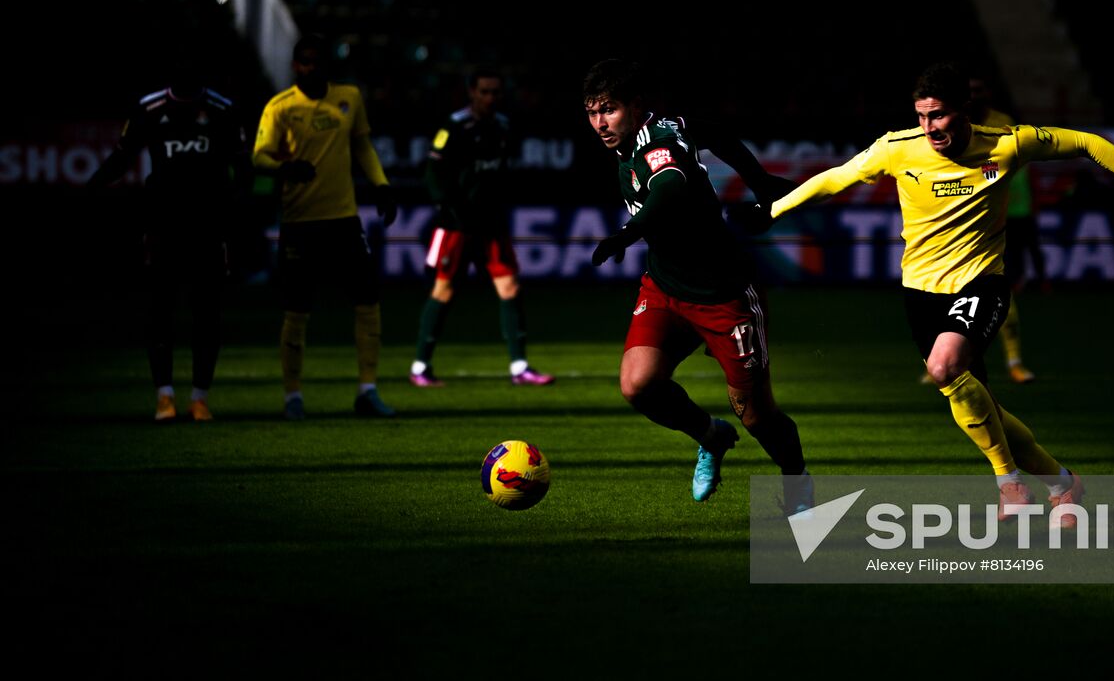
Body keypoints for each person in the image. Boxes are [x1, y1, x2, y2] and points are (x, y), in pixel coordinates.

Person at [740, 61, 1114, 528]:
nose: (929, 127)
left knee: (943, 367)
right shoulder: (897, 148)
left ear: (964, 110)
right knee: (984, 407)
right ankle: (1062, 484)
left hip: (982, 281)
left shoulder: (1007, 142)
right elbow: (836, 178)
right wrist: (774, 209)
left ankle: (1010, 486)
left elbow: (1086, 142)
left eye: (938, 115)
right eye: (921, 116)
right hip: (920, 291)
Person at [582, 59, 812, 513]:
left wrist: (627, 233)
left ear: (635, 106)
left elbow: (669, 185)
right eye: (591, 112)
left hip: (723, 295)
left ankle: (797, 483)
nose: (599, 122)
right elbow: (715, 132)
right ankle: (710, 436)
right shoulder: (664, 128)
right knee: (637, 385)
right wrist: (759, 180)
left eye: (608, 109)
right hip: (665, 289)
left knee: (757, 415)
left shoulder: (657, 143)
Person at [252, 34, 398, 420]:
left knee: (368, 302)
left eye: (317, 61)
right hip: (300, 221)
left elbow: (363, 147)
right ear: (295, 66)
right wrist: (285, 168)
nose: (311, 68)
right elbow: (258, 156)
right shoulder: (279, 107)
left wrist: (381, 185)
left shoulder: (349, 97)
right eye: (305, 62)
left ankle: (367, 389)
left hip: (344, 219)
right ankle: (293, 396)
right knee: (297, 310)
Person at [87, 73, 249, 422]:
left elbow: (244, 170)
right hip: (163, 228)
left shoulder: (223, 110)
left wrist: (228, 213)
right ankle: (164, 398)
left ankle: (200, 399)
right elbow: (121, 156)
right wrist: (92, 186)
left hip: (207, 230)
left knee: (206, 315)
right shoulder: (148, 109)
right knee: (160, 313)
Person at [410, 70, 555, 388]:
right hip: (457, 225)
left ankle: (520, 367)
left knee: (510, 288)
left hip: (491, 224)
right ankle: (421, 366)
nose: (491, 97)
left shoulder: (502, 127)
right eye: (485, 91)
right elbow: (433, 170)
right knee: (443, 291)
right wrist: (445, 205)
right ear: (472, 93)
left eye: (496, 92)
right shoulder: (455, 126)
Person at [920, 71, 1043, 385]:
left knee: (1002, 289)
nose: (977, 96)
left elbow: (1017, 165)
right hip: (968, 222)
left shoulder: (1003, 123)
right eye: (971, 89)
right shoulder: (947, 130)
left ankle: (1014, 361)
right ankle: (943, 359)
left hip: (1010, 217)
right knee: (947, 290)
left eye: (980, 88)